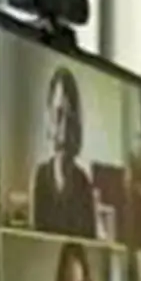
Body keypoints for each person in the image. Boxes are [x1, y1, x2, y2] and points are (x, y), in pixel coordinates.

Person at [30, 66, 97, 238]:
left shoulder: (83, 183)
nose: (64, 125)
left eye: (69, 116)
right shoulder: (40, 177)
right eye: (58, 114)